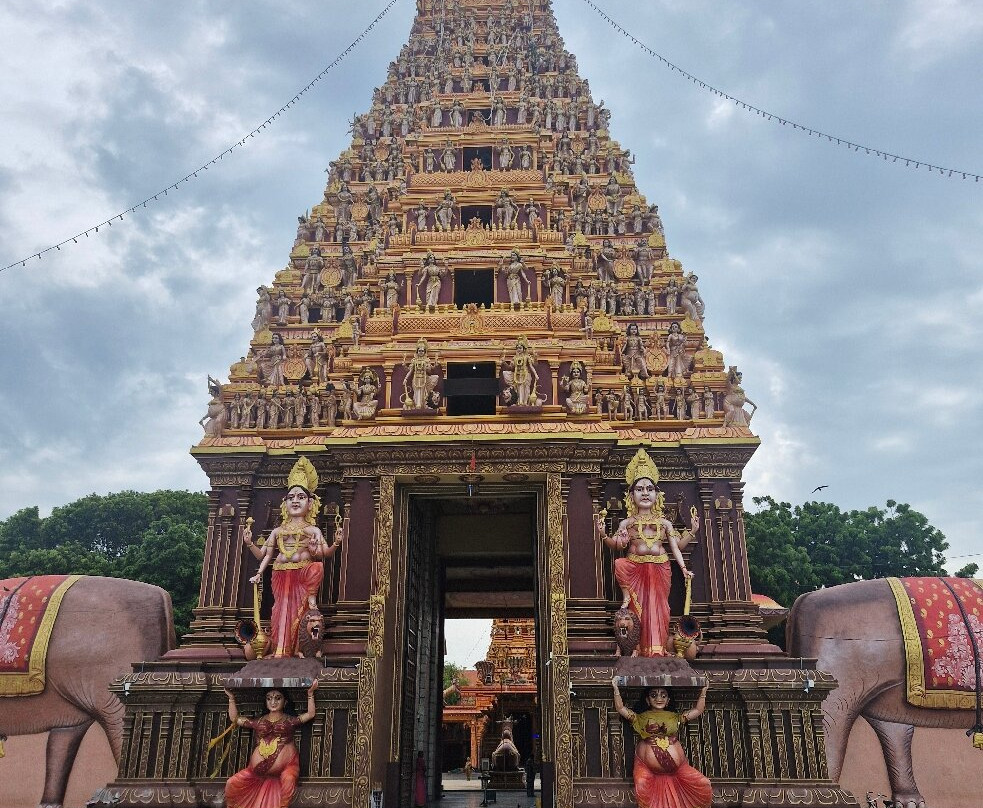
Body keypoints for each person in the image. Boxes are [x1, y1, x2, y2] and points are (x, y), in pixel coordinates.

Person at [596, 449, 699, 657]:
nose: (645, 493)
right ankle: (637, 647)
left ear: (657, 495)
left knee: (660, 609)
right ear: (631, 495)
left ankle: (658, 648)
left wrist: (690, 540)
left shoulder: (665, 523)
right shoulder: (627, 522)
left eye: (650, 489)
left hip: (661, 568)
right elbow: (617, 545)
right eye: (639, 489)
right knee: (636, 609)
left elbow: (676, 547)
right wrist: (604, 535)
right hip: (635, 568)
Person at [244, 457, 343, 657]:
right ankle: (280, 650)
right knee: (280, 611)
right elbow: (264, 555)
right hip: (280, 574)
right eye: (290, 497)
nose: (295, 501)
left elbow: (324, 554)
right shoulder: (278, 531)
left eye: (301, 497)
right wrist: (250, 544)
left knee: (304, 601)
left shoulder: (313, 530)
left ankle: (299, 647)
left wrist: (335, 543)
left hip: (301, 576)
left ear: (310, 503)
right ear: (285, 503)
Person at [611, 679, 712, 808]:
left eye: (663, 696)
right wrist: (616, 689)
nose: (659, 699)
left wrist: (703, 692)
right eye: (654, 695)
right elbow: (620, 708)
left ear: (668, 700)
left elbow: (698, 710)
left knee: (703, 783)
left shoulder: (675, 717)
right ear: (647, 700)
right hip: (647, 770)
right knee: (641, 786)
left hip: (679, 770)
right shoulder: (640, 718)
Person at [223, 680, 319, 808]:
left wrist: (310, 694)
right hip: (256, 772)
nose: (273, 702)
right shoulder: (258, 722)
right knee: (231, 783)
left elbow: (310, 714)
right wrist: (231, 698)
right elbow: (235, 719)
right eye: (269, 699)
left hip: (286, 768)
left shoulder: (290, 721)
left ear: (285, 702)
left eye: (278, 698)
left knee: (289, 781)